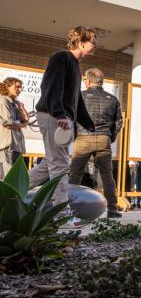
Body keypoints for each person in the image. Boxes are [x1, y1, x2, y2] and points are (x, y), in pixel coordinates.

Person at [28, 26, 96, 226]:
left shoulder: (75, 65)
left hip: (60, 118)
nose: (96, 46)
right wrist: (59, 113)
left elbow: (76, 100)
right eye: (93, 41)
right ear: (81, 42)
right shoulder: (61, 57)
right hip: (52, 117)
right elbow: (50, 86)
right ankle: (62, 215)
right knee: (59, 165)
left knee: (50, 165)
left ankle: (9, 191)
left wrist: (89, 125)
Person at [68, 68, 123, 218]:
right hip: (103, 139)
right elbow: (118, 122)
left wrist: (74, 136)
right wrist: (110, 137)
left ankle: (69, 208)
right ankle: (112, 209)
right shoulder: (112, 99)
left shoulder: (79, 96)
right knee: (107, 175)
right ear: (101, 81)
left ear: (88, 81)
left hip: (83, 138)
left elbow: (72, 118)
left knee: (75, 174)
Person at [0, 77, 28, 178]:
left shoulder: (15, 103)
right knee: (8, 176)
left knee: (15, 176)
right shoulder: (3, 100)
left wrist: (21, 107)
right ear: (7, 86)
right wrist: (22, 125)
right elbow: (9, 123)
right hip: (7, 145)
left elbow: (26, 119)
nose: (20, 90)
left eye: (21, 87)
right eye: (17, 87)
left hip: (17, 145)